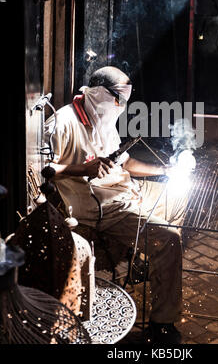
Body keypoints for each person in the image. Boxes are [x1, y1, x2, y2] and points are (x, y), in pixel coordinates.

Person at [44, 66, 186, 344]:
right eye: (118, 98)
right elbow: (45, 168)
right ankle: (163, 324)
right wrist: (80, 170)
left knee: (179, 196)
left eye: (125, 98)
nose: (121, 106)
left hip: (125, 191)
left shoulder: (104, 118)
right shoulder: (62, 123)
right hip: (105, 209)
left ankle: (144, 262)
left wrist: (165, 170)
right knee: (169, 239)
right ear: (97, 93)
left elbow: (126, 163)